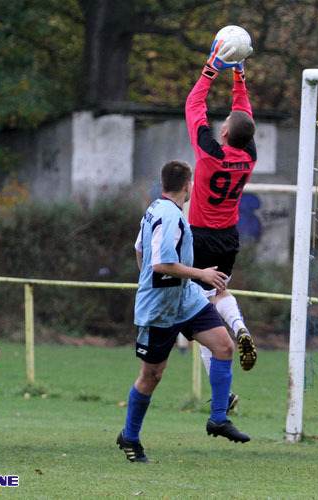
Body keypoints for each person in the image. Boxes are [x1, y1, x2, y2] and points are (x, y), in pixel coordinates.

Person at [117, 160, 250, 464]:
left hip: (186, 299)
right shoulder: (169, 216)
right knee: (152, 375)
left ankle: (218, 418)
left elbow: (139, 249)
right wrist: (200, 274)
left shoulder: (155, 210)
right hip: (160, 309)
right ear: (188, 185)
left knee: (223, 345)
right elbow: (161, 265)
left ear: (162, 184)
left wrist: (176, 281)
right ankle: (130, 437)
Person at [185, 38, 258, 389]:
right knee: (218, 296)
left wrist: (213, 67)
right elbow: (244, 116)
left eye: (226, 120)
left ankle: (221, 394)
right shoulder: (249, 157)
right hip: (229, 238)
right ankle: (240, 327)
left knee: (200, 315)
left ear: (224, 131)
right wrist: (239, 75)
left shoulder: (210, 153)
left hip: (199, 237)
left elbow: (194, 104)